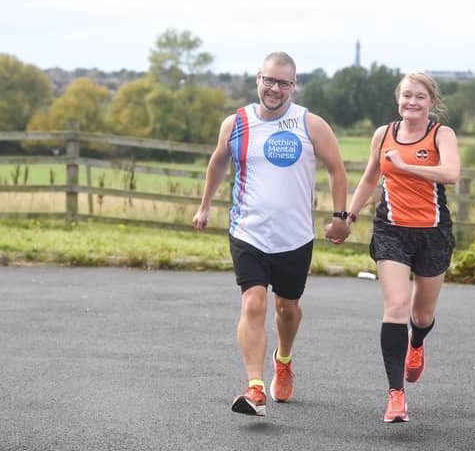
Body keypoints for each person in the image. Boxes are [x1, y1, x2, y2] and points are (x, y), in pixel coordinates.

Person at [192, 51, 349, 417]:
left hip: (295, 237)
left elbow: (337, 170)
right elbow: (218, 160)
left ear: (294, 86)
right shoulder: (237, 123)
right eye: (269, 80)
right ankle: (255, 387)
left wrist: (340, 217)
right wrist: (205, 205)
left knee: (287, 309)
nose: (274, 88)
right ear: (257, 79)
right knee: (253, 302)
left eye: (283, 82)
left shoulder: (311, 124)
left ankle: (284, 360)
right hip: (248, 230)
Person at [343, 72, 460, 423]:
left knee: (421, 316)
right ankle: (396, 395)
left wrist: (407, 166)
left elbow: (451, 173)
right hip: (391, 230)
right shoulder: (384, 134)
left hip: (433, 233)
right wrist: (347, 217)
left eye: (419, 97)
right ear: (398, 99)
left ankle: (417, 342)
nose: (412, 102)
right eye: (406, 95)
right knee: (395, 306)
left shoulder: (442, 135)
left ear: (431, 103)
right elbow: (368, 178)